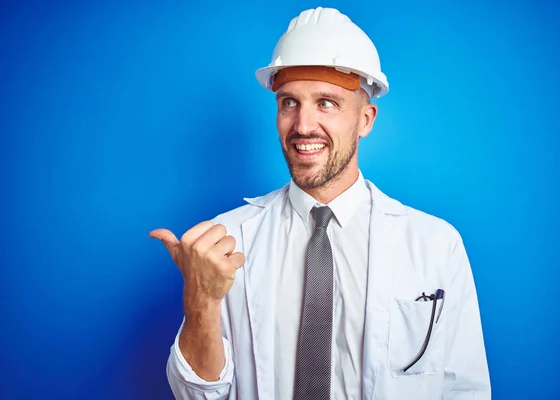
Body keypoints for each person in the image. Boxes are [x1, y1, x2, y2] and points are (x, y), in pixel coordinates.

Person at [150, 6, 491, 400]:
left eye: (326, 103)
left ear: (365, 119)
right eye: (289, 103)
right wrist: (201, 304)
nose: (303, 125)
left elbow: (465, 390)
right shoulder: (225, 242)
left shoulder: (434, 245)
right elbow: (197, 397)